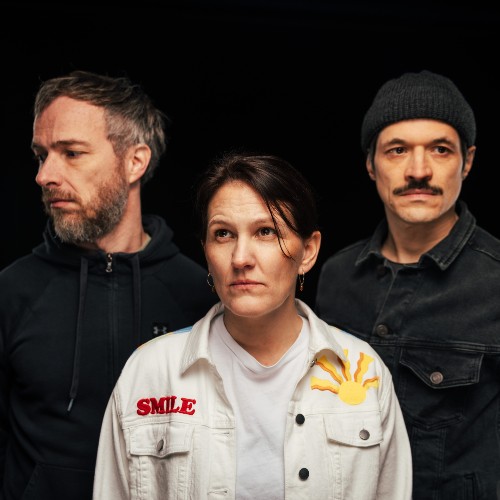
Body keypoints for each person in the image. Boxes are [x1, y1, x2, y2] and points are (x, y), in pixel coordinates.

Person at [92, 151, 412, 499]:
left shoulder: (364, 372)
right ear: (206, 252)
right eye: (223, 234)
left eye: (265, 232)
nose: (241, 258)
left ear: (307, 251)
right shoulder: (150, 372)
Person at [0, 70, 218, 500]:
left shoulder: (199, 294)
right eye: (42, 155)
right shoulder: (12, 291)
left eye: (72, 153)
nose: (45, 175)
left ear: (135, 162)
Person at [315, 70, 500, 499]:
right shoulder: (336, 276)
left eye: (440, 149)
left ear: (467, 161)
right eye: (397, 150)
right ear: (370, 164)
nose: (419, 171)